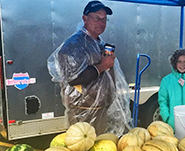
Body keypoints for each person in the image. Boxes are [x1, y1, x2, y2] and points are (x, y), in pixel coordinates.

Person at [47, 1, 132, 136]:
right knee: (82, 144)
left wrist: (108, 66)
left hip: (100, 109)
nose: (101, 23)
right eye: (97, 18)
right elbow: (73, 78)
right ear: (85, 19)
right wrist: (103, 65)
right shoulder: (75, 44)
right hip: (81, 111)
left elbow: (106, 76)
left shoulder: (99, 44)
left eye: (104, 19)